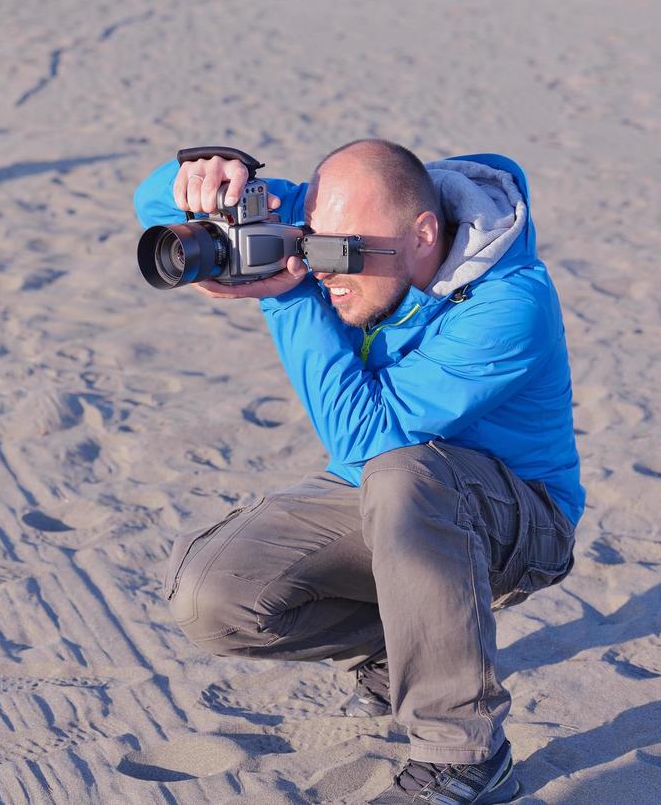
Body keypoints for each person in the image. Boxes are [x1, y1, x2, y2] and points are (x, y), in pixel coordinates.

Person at [132, 140, 580, 804]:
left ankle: (464, 759)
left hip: (519, 523)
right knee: (212, 593)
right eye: (309, 241)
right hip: (385, 495)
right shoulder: (335, 219)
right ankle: (395, 647)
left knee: (402, 473)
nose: (321, 266)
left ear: (421, 234)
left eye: (338, 253)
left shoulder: (507, 304)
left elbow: (365, 435)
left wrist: (287, 299)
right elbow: (151, 202)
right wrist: (197, 184)